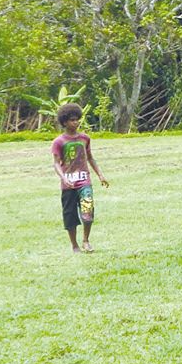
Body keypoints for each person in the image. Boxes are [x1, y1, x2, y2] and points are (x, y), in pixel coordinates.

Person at [51, 103, 109, 252]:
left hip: (85, 182)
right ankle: (74, 245)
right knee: (70, 216)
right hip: (68, 185)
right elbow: (56, 163)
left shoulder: (85, 138)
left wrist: (100, 175)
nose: (75, 123)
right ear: (64, 122)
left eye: (77, 119)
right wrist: (64, 178)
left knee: (88, 212)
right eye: (72, 120)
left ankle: (86, 241)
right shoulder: (59, 142)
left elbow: (90, 158)